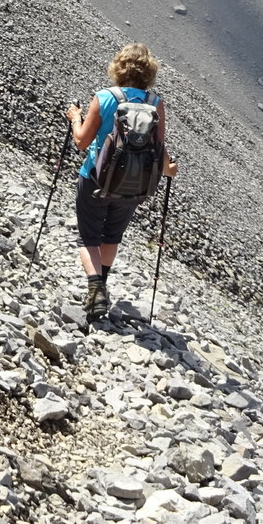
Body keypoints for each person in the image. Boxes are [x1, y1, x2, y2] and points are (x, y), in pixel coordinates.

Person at [66, 42, 178, 319]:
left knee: (88, 238)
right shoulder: (155, 104)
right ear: (149, 73)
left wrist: (73, 118)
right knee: (111, 237)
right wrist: (169, 169)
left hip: (95, 178)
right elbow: (159, 148)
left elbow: (81, 142)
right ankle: (101, 289)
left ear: (118, 68)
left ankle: (95, 290)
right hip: (133, 185)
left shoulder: (104, 97)